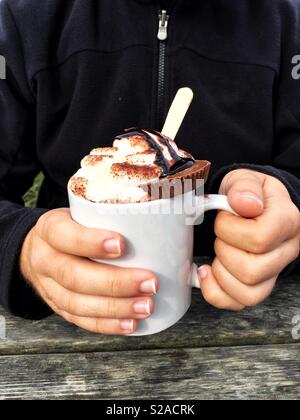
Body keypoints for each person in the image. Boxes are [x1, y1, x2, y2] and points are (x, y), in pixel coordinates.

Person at [0, 0, 299, 335]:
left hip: (244, 333)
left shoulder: (288, 22)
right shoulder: (24, 18)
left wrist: (287, 209)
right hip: (63, 327)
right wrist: (21, 250)